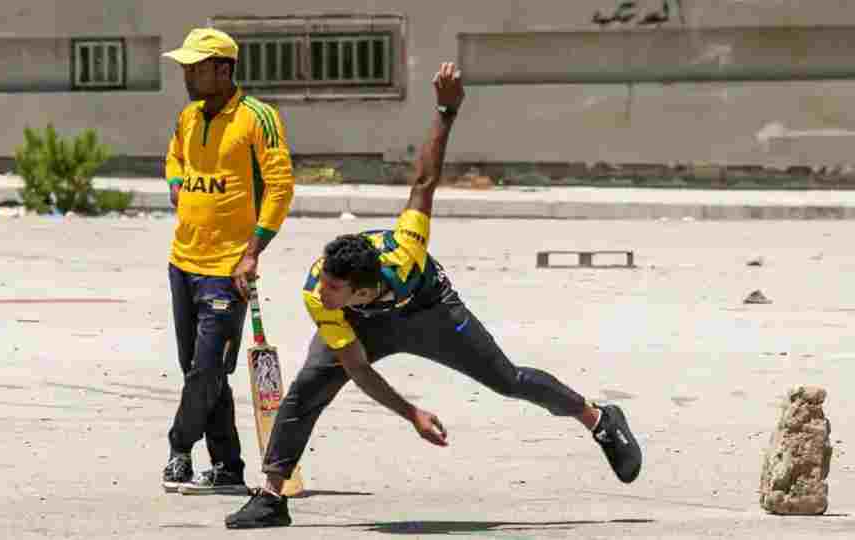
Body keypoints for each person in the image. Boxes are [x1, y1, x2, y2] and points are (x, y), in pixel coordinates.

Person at [224, 62, 642, 528]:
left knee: (507, 379)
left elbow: (424, 181)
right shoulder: (320, 293)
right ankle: (271, 497)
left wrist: (446, 111)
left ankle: (599, 419)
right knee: (307, 390)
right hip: (364, 324)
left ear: (363, 287)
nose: (323, 292)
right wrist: (411, 414)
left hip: (430, 311)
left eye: (335, 288)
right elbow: (358, 369)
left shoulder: (406, 252)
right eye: (325, 282)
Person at [160, 28, 295, 495]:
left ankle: (179, 446)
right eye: (185, 67)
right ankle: (228, 466)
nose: (187, 75)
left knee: (207, 371)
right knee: (200, 370)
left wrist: (252, 252)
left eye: (195, 67)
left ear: (223, 69)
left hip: (228, 269)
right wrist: (176, 182)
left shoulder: (259, 117)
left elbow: (281, 187)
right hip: (183, 262)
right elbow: (174, 156)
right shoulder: (188, 117)